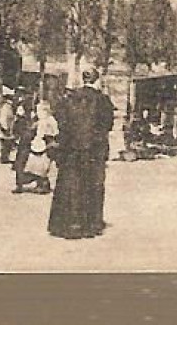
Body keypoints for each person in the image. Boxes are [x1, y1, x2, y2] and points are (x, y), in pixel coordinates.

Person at [48, 68, 115, 239]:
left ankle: (66, 224)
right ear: (96, 80)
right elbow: (108, 125)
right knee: (93, 185)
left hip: (71, 150)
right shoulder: (103, 100)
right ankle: (91, 225)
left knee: (69, 185)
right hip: (93, 151)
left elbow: (59, 119)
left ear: (83, 79)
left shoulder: (69, 98)